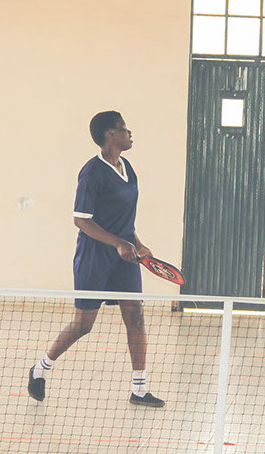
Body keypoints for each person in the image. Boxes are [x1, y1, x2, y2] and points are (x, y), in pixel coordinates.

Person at [27, 111, 165, 408]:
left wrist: (138, 244)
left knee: (135, 317)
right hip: (94, 256)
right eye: (124, 128)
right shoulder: (92, 172)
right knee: (83, 325)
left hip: (125, 255)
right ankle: (41, 368)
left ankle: (139, 389)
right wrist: (117, 243)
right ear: (110, 135)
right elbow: (81, 220)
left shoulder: (127, 167)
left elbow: (124, 219)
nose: (129, 133)